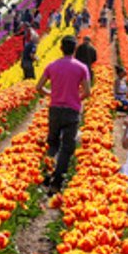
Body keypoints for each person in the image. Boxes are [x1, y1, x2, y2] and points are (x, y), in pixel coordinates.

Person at [34, 35, 92, 188]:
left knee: (52, 143)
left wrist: (51, 94)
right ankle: (57, 181)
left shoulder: (52, 66)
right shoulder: (81, 68)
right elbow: (87, 91)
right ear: (75, 50)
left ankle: (46, 175)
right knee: (67, 147)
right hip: (71, 111)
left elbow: (38, 87)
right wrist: (76, 98)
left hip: (55, 109)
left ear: (61, 48)